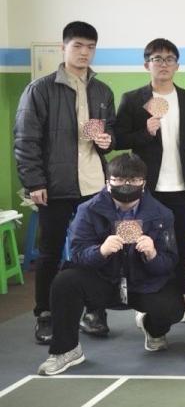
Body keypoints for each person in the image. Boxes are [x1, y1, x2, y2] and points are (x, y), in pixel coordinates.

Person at [15, 21, 116, 344]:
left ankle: (94, 310)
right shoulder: (40, 89)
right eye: (78, 46)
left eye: (90, 47)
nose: (85, 52)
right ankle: (45, 315)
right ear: (64, 47)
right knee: (49, 252)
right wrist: (34, 182)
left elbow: (110, 135)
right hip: (55, 186)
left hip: (95, 185)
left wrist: (107, 141)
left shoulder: (102, 91)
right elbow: (25, 140)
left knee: (98, 250)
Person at [37, 154, 184, 375]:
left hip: (143, 282)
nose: (126, 185)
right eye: (119, 179)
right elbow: (77, 254)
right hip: (103, 280)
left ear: (144, 183)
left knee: (174, 307)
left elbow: (170, 261)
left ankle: (153, 328)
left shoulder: (162, 214)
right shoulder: (88, 210)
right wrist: (101, 251)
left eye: (134, 180)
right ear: (108, 182)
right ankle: (66, 350)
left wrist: (152, 254)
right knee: (65, 281)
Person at [115, 38, 185, 321]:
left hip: (180, 186)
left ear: (177, 65)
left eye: (169, 59)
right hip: (145, 188)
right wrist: (145, 132)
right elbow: (119, 139)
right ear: (147, 65)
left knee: (176, 242)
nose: (164, 64)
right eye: (157, 59)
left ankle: (179, 296)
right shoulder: (133, 99)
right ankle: (145, 299)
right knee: (144, 242)